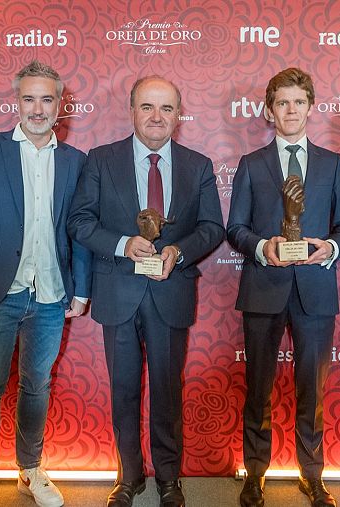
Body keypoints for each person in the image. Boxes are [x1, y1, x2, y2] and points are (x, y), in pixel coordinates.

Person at [69, 76, 224, 507]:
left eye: (167, 109)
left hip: (170, 292)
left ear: (178, 115)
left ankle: (169, 477)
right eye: (148, 107)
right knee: (123, 390)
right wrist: (122, 244)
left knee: (167, 390)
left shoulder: (198, 164)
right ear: (132, 109)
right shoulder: (101, 159)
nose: (157, 117)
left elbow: (212, 227)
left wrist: (178, 249)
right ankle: (130, 475)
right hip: (118, 293)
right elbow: (80, 221)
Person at [0, 60, 92, 507]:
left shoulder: (76, 161)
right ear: (16, 102)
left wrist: (83, 288)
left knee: (37, 386)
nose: (37, 108)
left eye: (47, 99)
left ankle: (30, 470)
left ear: (59, 105)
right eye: (29, 98)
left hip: (52, 296)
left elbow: (81, 228)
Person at [227, 67, 340, 507]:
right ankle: (255, 474)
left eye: (299, 102)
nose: (291, 110)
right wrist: (264, 246)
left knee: (312, 391)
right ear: (269, 111)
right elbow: (235, 229)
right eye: (282, 103)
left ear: (310, 107)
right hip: (264, 287)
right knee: (258, 386)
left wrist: (332, 247)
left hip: (315, 291)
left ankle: (312, 475)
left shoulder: (332, 163)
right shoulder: (250, 164)